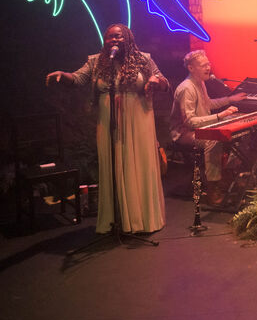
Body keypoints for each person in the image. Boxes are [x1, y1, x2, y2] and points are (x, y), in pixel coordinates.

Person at [46, 24, 168, 234]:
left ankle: (141, 218)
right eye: (110, 37)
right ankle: (117, 218)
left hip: (139, 119)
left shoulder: (144, 59)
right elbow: (78, 78)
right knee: (113, 164)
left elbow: (164, 82)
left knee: (138, 164)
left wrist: (155, 80)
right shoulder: (97, 61)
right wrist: (63, 75)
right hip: (108, 120)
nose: (114, 40)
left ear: (128, 38)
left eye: (118, 36)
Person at [169, 50, 246, 205]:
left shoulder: (200, 83)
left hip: (202, 128)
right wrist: (219, 116)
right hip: (184, 133)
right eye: (203, 65)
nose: (208, 68)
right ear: (191, 68)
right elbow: (190, 122)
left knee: (240, 129)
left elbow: (208, 104)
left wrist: (230, 99)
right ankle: (213, 187)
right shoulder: (187, 88)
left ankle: (228, 175)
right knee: (213, 140)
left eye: (208, 64)